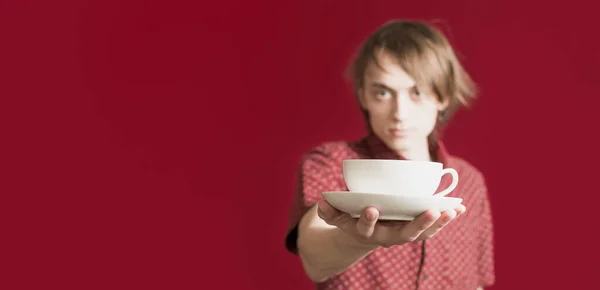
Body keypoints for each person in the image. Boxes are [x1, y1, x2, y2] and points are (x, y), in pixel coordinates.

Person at [284, 19, 496, 290]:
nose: (400, 113)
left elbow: (475, 283)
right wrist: (360, 240)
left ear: (443, 97)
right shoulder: (331, 163)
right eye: (383, 92)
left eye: (416, 92)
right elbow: (314, 258)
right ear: (364, 97)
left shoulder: (469, 181)